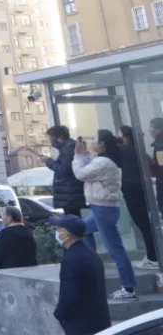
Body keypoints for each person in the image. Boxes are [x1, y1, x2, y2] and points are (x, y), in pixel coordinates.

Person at [73, 129, 137, 301]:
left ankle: (128, 288)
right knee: (84, 230)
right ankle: (93, 268)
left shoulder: (103, 162)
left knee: (115, 248)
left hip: (103, 209)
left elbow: (81, 174)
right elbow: (88, 168)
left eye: (94, 139)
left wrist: (78, 156)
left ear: (102, 144)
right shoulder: (103, 160)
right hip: (102, 208)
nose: (92, 141)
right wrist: (83, 154)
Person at [51, 214, 111, 335]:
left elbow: (69, 294)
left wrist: (59, 314)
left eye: (58, 229)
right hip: (99, 321)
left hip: (81, 325)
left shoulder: (71, 259)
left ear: (67, 234)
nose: (56, 232)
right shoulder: (91, 254)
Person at [118, 125, 158, 269]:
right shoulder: (139, 150)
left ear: (125, 137)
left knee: (144, 225)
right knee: (147, 225)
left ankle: (153, 258)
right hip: (142, 189)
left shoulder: (123, 151)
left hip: (133, 192)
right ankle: (154, 255)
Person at [35, 126, 87, 216]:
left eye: (51, 139)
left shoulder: (68, 149)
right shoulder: (68, 148)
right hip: (71, 195)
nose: (51, 142)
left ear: (59, 138)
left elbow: (62, 170)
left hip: (70, 196)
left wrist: (48, 161)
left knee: (72, 221)